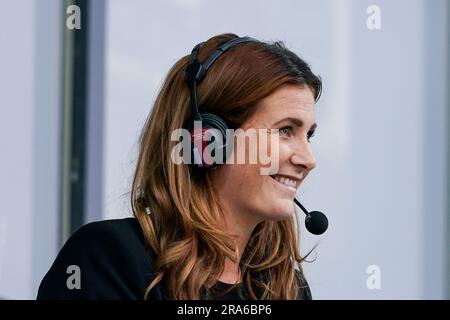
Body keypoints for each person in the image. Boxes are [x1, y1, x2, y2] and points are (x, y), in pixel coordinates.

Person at [37, 33, 322, 300]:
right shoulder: (108, 259)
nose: (308, 160)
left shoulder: (288, 288)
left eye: (308, 134)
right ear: (210, 138)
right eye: (285, 130)